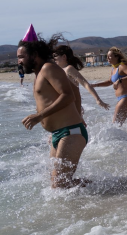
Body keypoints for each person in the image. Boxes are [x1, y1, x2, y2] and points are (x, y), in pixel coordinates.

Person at [17, 34, 89, 188]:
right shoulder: (38, 74)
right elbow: (74, 91)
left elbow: (68, 95)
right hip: (59, 133)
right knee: (56, 185)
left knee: (60, 184)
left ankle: (114, 189)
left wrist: (39, 116)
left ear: (34, 55)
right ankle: (106, 189)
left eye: (21, 56)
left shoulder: (49, 68)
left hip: (71, 132)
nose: (19, 61)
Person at [52, 42, 110, 116]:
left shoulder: (69, 69)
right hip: (65, 105)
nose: (54, 59)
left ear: (64, 57)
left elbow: (85, 84)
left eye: (55, 56)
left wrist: (98, 99)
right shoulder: (59, 70)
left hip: (74, 105)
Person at [91, 47, 127, 124]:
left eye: (110, 56)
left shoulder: (122, 66)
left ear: (116, 57)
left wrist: (120, 80)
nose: (108, 58)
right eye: (107, 57)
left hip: (126, 97)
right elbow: (110, 82)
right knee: (117, 125)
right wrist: (95, 85)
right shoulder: (113, 69)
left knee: (115, 124)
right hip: (120, 98)